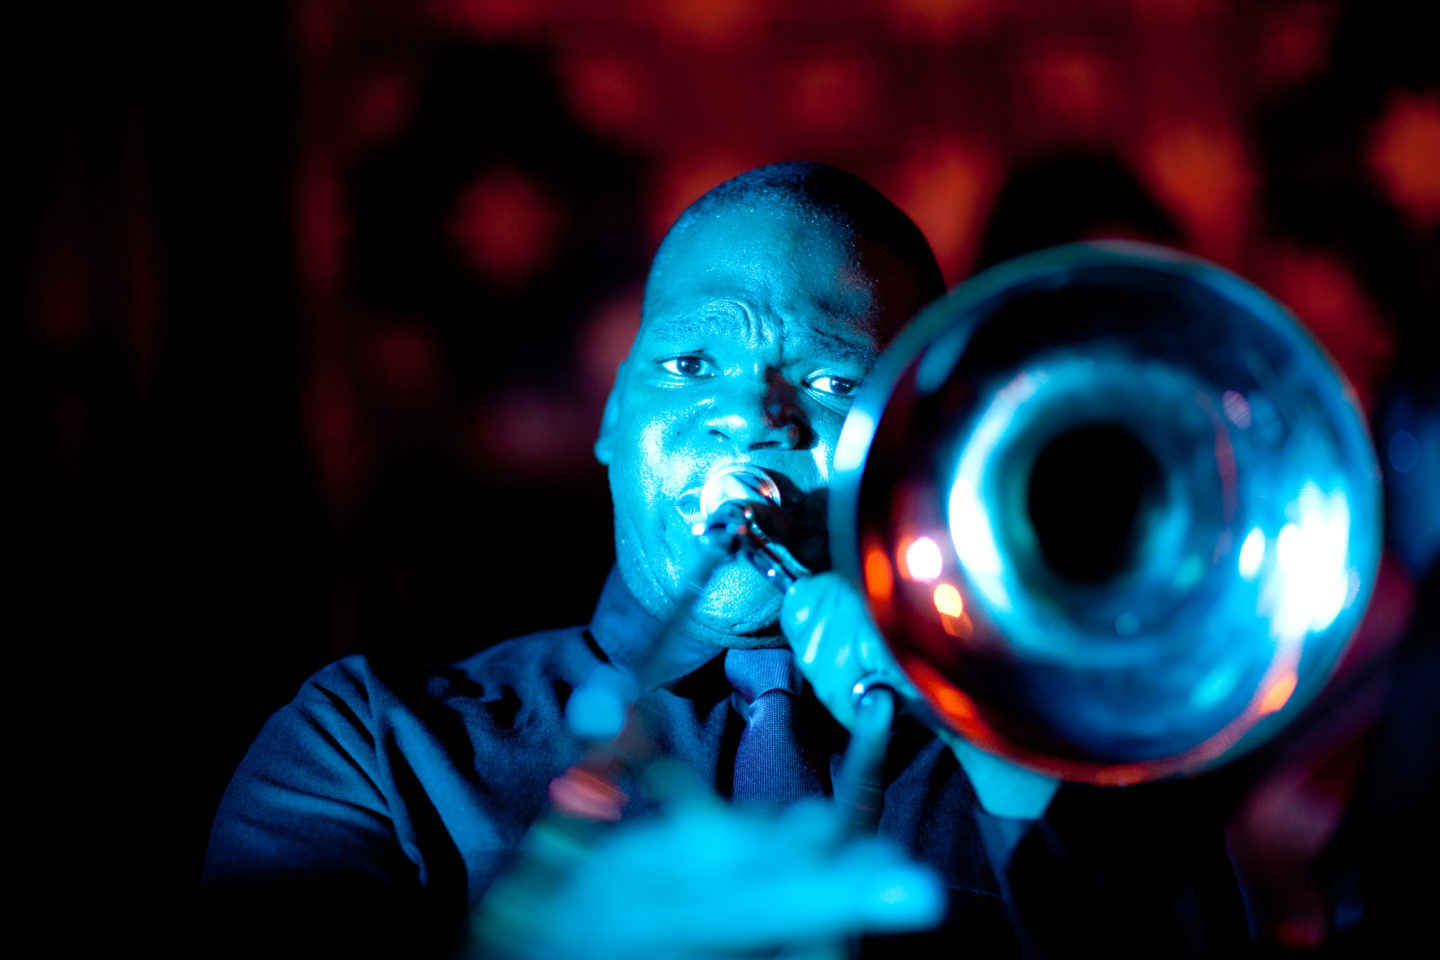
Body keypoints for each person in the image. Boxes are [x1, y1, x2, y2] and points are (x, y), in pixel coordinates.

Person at [203, 162, 1247, 958]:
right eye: (690, 363)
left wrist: (989, 726)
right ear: (614, 417)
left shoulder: (1073, 757)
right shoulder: (371, 746)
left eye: (836, 381)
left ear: (923, 440)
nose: (750, 417)